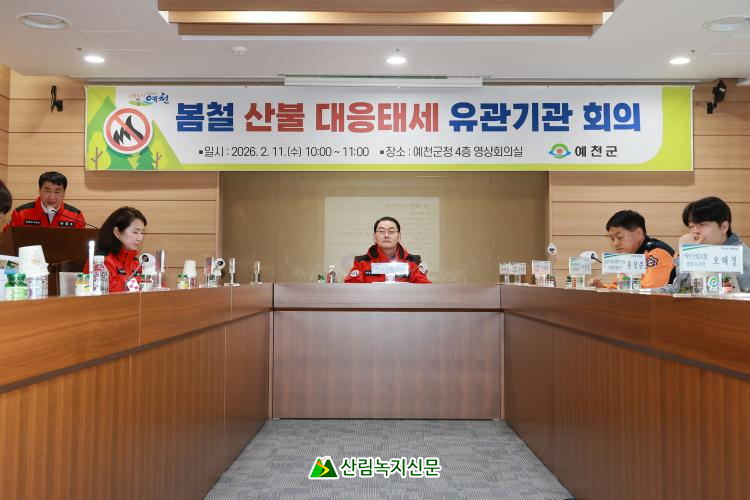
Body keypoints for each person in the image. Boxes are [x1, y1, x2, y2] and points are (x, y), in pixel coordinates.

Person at [660, 196, 750, 293]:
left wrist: (688, 254)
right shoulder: (704, 252)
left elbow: (712, 293)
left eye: (702, 225)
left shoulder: (739, 258)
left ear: (723, 227)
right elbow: (679, 289)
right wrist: (648, 292)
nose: (695, 231)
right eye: (691, 226)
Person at [591, 210, 676, 289]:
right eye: (613, 239)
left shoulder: (658, 252)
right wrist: (601, 287)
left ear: (638, 234)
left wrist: (624, 281)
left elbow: (650, 291)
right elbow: (617, 287)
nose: (615, 243)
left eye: (620, 237)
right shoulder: (630, 256)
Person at [345, 216, 431, 284]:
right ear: (374, 237)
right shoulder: (361, 262)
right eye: (381, 231)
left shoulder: (413, 262)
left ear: (399, 237)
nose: (386, 235)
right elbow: (350, 290)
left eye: (391, 231)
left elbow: (424, 291)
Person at [85, 207, 147, 293]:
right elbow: (111, 294)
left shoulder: (136, 263)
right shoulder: (100, 263)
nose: (140, 238)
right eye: (135, 232)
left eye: (142, 232)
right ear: (117, 232)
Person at [8, 171, 86, 229]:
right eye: (47, 191)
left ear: (64, 193)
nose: (52, 197)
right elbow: (8, 241)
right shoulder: (20, 214)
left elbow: (81, 243)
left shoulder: (75, 216)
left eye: (57, 192)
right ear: (39, 191)